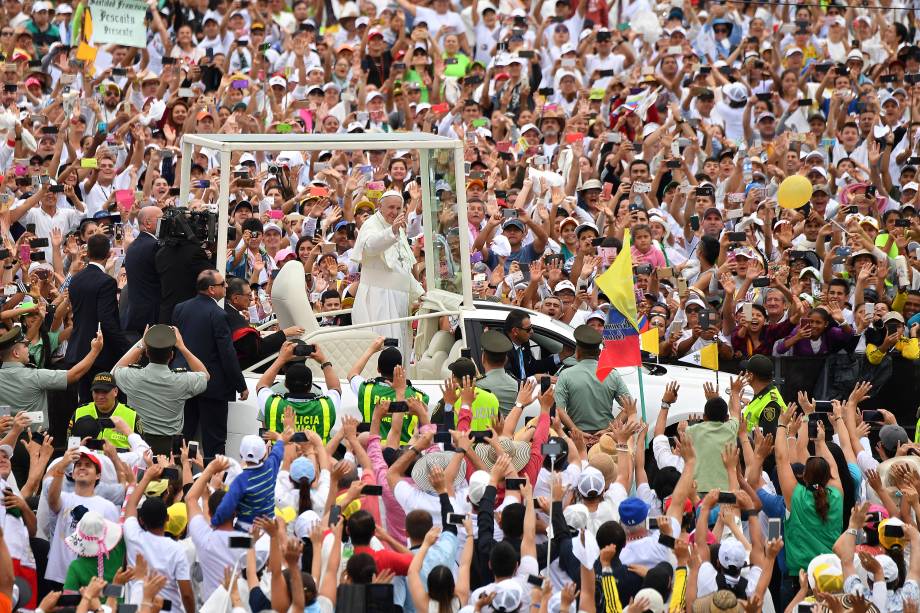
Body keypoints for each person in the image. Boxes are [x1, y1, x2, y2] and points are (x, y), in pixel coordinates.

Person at [172, 270, 247, 457]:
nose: (227, 286)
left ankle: (180, 480)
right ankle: (213, 482)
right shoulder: (218, 314)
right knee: (214, 441)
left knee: (183, 436)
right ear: (212, 289)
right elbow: (227, 353)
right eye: (223, 284)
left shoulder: (180, 308)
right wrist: (240, 385)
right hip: (212, 386)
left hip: (184, 381)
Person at [112, 324, 209, 455]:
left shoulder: (133, 377)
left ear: (147, 353)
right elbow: (205, 375)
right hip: (170, 447)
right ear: (171, 356)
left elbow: (115, 371)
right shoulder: (182, 380)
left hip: (140, 445)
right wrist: (182, 347)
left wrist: (141, 343)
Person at [350, 191, 424, 352]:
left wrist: (420, 292)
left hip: (399, 299)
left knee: (401, 348)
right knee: (385, 348)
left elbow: (403, 266)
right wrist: (392, 232)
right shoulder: (371, 224)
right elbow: (369, 247)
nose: (395, 212)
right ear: (379, 207)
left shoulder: (398, 228)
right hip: (379, 299)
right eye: (391, 207)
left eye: (398, 208)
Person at [63, 234, 130, 401]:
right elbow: (107, 320)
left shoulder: (76, 279)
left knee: (85, 401)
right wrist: (126, 348)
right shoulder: (106, 282)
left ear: (88, 253)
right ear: (108, 254)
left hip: (78, 350)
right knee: (106, 404)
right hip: (101, 354)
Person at [45, 447, 121, 590]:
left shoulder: (107, 507)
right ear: (72, 474)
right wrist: (62, 465)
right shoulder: (64, 498)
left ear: (98, 475)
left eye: (88, 466)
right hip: (58, 576)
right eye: (78, 465)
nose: (82, 468)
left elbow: (113, 547)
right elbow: (52, 500)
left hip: (89, 579)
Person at [0, 325, 103, 431]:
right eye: (25, 346)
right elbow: (74, 375)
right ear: (16, 353)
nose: (28, 349)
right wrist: (95, 350)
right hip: (34, 441)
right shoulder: (35, 376)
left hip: (5, 443)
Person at [123, 464, 196, 613]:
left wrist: (147, 477)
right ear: (167, 518)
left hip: (138, 608)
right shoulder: (177, 549)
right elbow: (187, 594)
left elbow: (131, 504)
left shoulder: (132, 536)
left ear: (141, 520)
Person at [348, 336, 429, 444]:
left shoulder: (366, 389)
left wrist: (371, 349)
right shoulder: (420, 397)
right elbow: (425, 433)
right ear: (402, 369)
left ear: (378, 369)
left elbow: (352, 374)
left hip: (372, 451)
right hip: (404, 455)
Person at [256, 340, 341, 442]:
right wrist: (324, 361)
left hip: (282, 457)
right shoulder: (325, 406)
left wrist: (281, 359)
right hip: (316, 457)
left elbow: (261, 385)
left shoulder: (274, 404)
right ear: (310, 386)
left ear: (286, 385)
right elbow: (335, 388)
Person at [554, 325, 631, 433]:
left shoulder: (565, 374)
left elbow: (559, 410)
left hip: (575, 439)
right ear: (599, 353)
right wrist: (608, 430)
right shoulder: (612, 374)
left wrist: (577, 431)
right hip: (605, 439)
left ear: (577, 352)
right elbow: (629, 407)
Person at [225, 276, 303, 369]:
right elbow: (259, 349)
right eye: (249, 295)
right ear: (235, 298)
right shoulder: (232, 319)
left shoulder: (228, 311)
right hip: (246, 366)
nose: (251, 299)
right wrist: (284, 333)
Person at [68, 372, 141, 450]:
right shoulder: (80, 412)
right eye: (96, 391)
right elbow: (70, 448)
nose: (100, 396)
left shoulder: (131, 415)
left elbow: (141, 451)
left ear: (115, 391)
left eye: (105, 392)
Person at [121, 206, 163, 340]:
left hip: (136, 314)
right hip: (153, 316)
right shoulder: (155, 246)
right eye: (161, 219)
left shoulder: (132, 246)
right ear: (148, 223)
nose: (164, 223)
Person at [504, 309, 559, 379]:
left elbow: (533, 366)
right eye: (528, 329)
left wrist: (561, 356)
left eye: (531, 327)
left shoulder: (524, 343)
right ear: (515, 331)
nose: (532, 331)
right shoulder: (503, 349)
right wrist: (534, 379)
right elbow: (509, 382)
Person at [475, 330, 520, 417]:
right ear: (506, 360)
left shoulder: (478, 384)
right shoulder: (514, 383)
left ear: (483, 358)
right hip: (508, 429)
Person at [740, 354, 787, 436]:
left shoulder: (770, 406)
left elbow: (768, 443)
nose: (745, 374)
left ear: (751, 376)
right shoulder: (764, 393)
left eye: (747, 371)